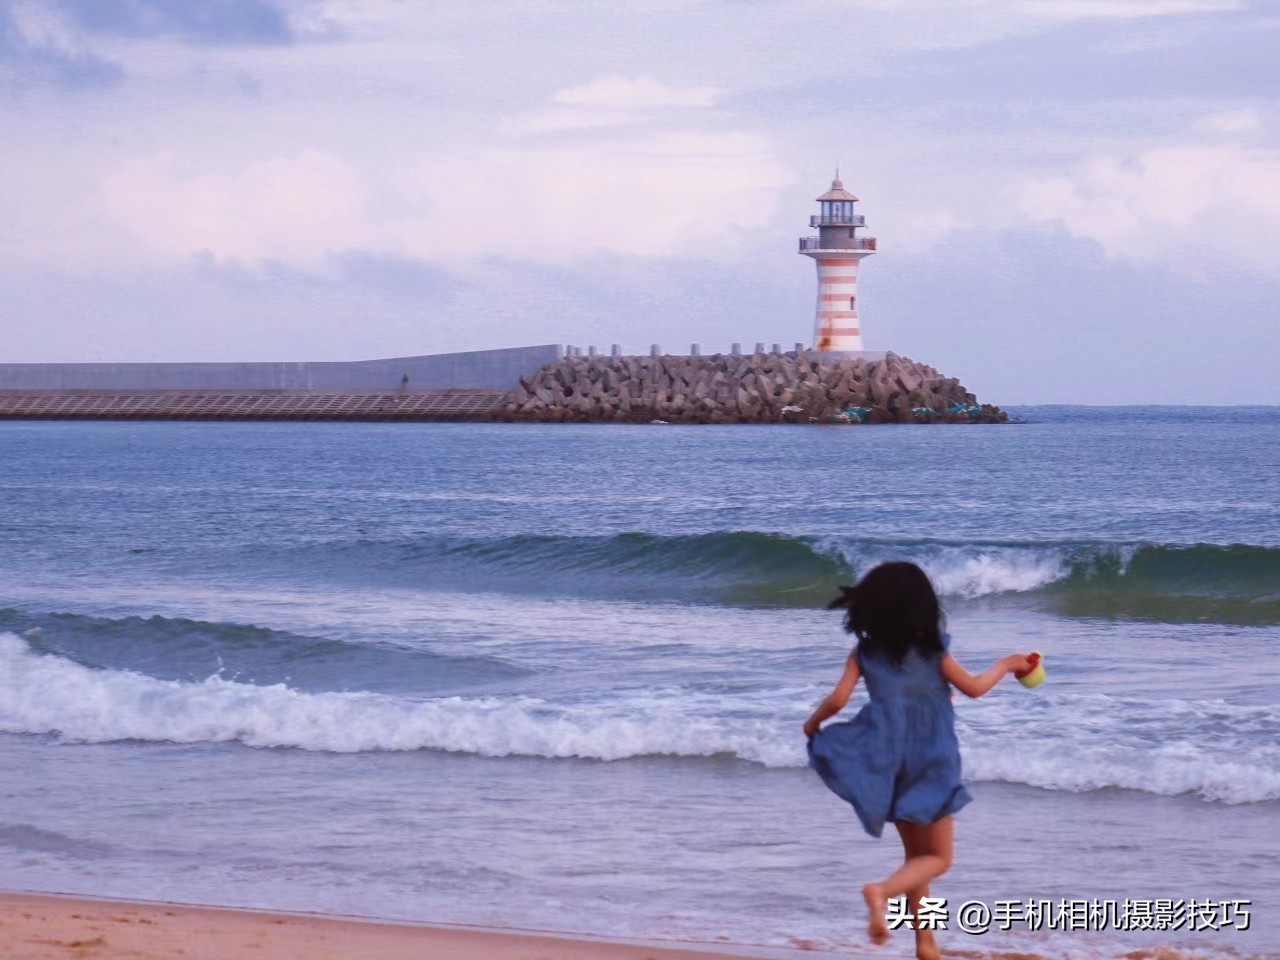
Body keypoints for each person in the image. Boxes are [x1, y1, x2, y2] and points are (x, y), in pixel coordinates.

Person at [803, 561, 1031, 959]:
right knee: (939, 859)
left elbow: (838, 700)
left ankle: (926, 945)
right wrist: (1009, 664)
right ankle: (882, 891)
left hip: (890, 761)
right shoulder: (932, 648)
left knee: (916, 858)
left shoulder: (864, 653)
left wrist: (813, 724)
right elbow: (974, 688)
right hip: (933, 759)